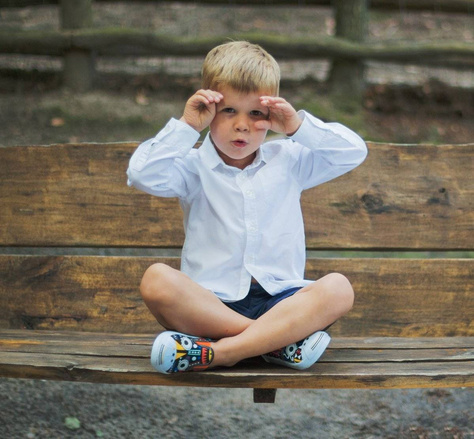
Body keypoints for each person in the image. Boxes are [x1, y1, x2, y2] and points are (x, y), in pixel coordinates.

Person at [127, 41, 367, 374]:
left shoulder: (289, 159)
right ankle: (277, 344)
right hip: (212, 306)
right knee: (156, 281)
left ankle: (221, 353)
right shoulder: (192, 167)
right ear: (209, 110)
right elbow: (141, 174)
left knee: (338, 288)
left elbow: (353, 152)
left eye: (256, 113)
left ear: (271, 114)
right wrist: (186, 125)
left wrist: (297, 126)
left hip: (281, 303)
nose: (242, 124)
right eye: (229, 111)